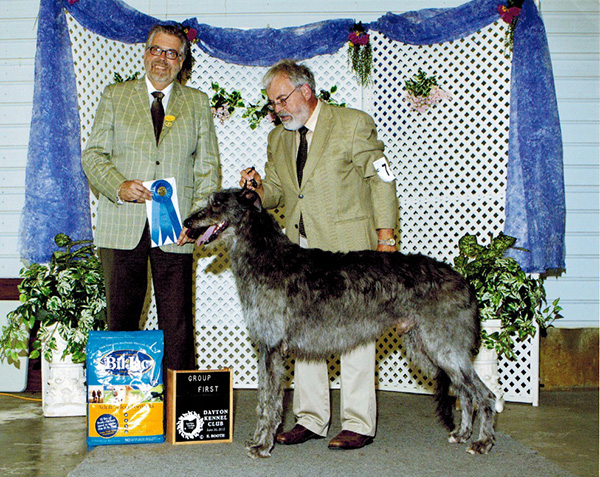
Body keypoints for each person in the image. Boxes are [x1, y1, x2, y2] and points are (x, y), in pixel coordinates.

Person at [240, 59, 398, 450]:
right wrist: (257, 190)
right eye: (273, 102)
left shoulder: (352, 123)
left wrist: (387, 239)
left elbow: (381, 180)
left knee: (356, 333)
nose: (277, 108)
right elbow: (277, 193)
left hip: (350, 250)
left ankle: (358, 422)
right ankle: (310, 418)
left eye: (282, 99)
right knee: (304, 334)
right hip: (301, 252)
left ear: (305, 91)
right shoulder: (278, 139)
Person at [82, 24, 221, 371]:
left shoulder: (197, 102)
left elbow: (207, 169)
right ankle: (122, 397)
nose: (162, 58)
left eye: (172, 53)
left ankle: (179, 401)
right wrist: (118, 185)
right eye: (157, 50)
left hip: (175, 228)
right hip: (121, 224)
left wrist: (196, 221)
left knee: (177, 322)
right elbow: (93, 155)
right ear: (145, 54)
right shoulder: (115, 96)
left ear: (182, 61)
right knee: (121, 318)